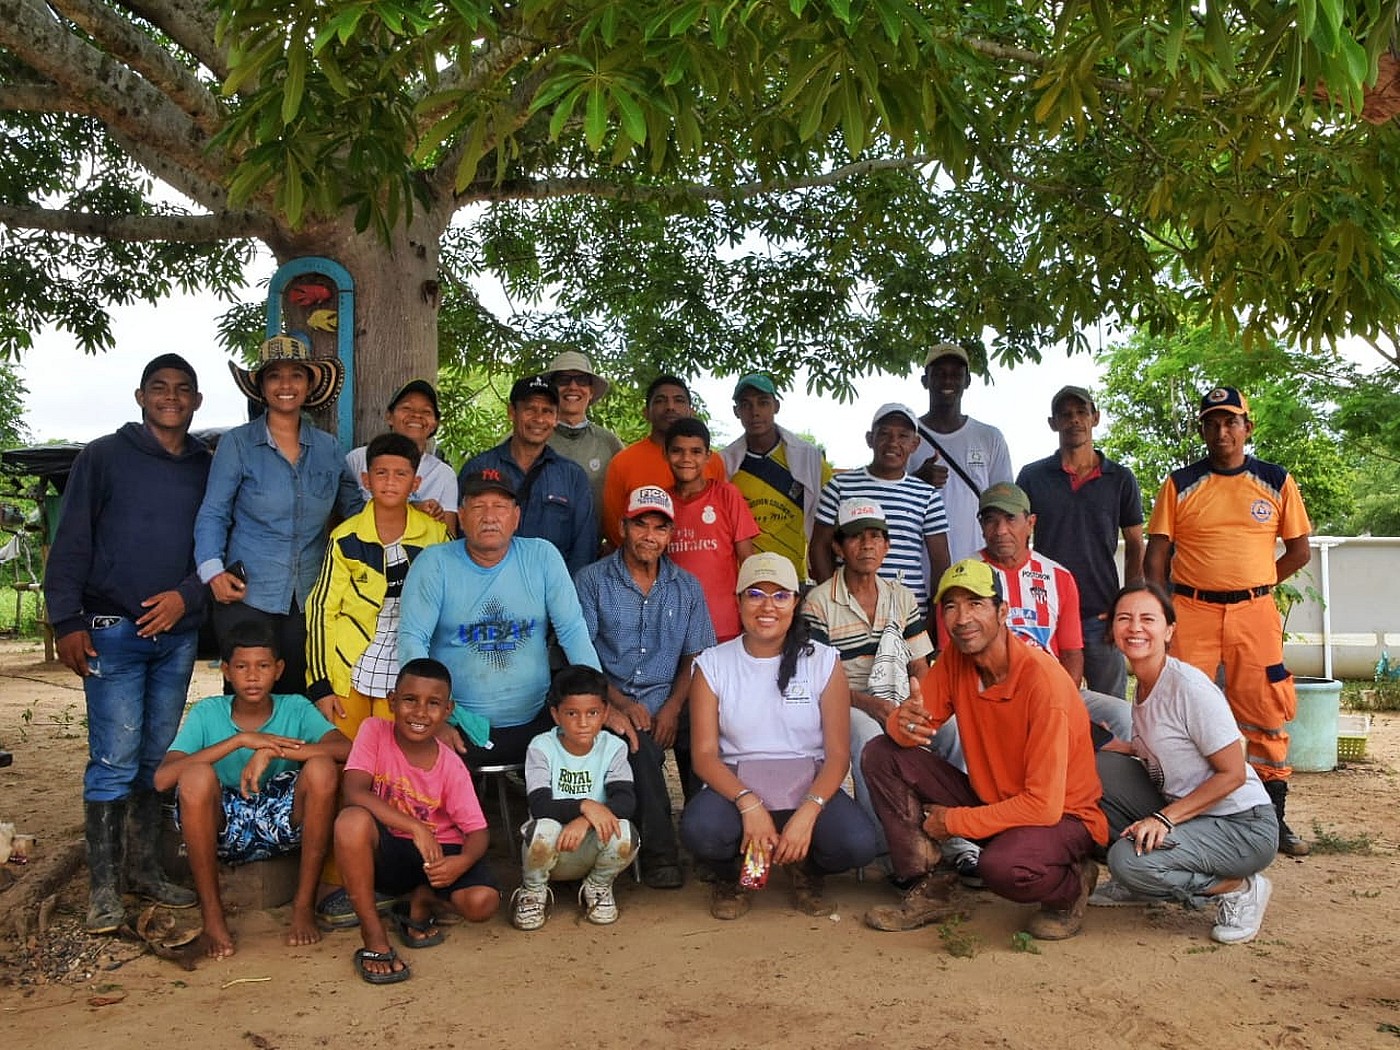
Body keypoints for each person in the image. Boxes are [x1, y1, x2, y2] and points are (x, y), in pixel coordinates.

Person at [45, 353, 210, 932]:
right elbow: (71, 540)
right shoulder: (104, 457)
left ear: (196, 401)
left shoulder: (204, 466)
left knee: (155, 759)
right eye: (160, 388)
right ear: (141, 397)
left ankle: (145, 869)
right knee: (112, 760)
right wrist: (66, 620)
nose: (171, 397)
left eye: (183, 390)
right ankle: (104, 890)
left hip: (176, 636)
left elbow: (214, 546)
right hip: (112, 632)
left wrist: (185, 598)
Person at [862, 559, 1108, 941]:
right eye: (951, 606)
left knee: (1002, 868)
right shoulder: (957, 661)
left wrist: (954, 823)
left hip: (1063, 817)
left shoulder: (1043, 683)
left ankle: (1071, 886)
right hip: (994, 800)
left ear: (1003, 611)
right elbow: (911, 729)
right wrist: (901, 721)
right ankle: (931, 884)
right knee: (881, 753)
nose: (962, 618)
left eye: (976, 603)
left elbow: (1042, 805)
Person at [1144, 386, 1313, 857]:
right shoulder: (1180, 484)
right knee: (1179, 708)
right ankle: (1188, 812)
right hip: (1191, 611)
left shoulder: (1276, 481)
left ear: (1247, 427)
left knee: (1265, 711)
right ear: (1202, 429)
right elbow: (1156, 554)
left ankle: (1271, 819)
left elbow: (1298, 551)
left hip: (1254, 614)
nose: (1222, 431)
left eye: (1231, 421)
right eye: (1212, 423)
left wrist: (1258, 585)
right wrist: (1164, 609)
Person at [680, 553, 881, 920]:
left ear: (796, 602)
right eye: (755, 594)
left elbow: (837, 755)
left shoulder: (823, 661)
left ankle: (805, 868)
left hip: (807, 781)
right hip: (737, 783)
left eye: (780, 595)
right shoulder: (712, 664)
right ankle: (737, 874)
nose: (767, 606)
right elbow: (705, 756)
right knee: (700, 830)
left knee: (857, 844)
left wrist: (808, 811)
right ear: (737, 600)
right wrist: (749, 804)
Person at [1093, 583, 1278, 944]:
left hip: (1242, 826)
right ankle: (1143, 881)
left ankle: (1236, 887)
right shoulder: (1145, 684)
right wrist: (1121, 746)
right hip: (1191, 812)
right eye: (1124, 618)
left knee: (1126, 860)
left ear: (1169, 630)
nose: (1135, 628)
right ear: (1112, 628)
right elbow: (1171, 748)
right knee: (1098, 767)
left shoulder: (1188, 687)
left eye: (1148, 619)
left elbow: (1234, 773)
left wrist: (1163, 819)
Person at [153, 624, 350, 959]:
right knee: (196, 776)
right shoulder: (208, 712)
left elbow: (346, 749)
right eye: (242, 667)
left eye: (263, 666)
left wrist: (273, 750)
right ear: (227, 672)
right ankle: (213, 918)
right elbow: (163, 779)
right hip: (224, 826)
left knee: (321, 769)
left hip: (283, 821)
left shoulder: (296, 707)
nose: (253, 676)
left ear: (279, 670)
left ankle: (303, 906)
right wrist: (240, 741)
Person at [398, 468, 602, 770]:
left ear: (516, 517)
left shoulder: (542, 556)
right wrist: (432, 719)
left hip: (539, 720)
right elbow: (413, 639)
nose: (489, 516)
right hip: (456, 725)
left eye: (500, 507)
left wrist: (596, 699)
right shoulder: (434, 563)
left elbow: (572, 630)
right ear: (462, 516)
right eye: (478, 507)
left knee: (615, 744)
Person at [194, 335, 363, 696]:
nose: (286, 385)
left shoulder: (329, 449)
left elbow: (356, 512)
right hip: (246, 596)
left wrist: (410, 512)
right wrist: (213, 572)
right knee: (249, 697)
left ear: (309, 384)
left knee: (304, 695)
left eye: (296, 376)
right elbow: (213, 513)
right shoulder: (237, 444)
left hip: (311, 598)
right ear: (261, 386)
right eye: (274, 376)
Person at [574, 486, 716, 888]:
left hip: (671, 695)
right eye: (641, 525)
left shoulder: (686, 586)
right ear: (623, 527)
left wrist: (672, 707)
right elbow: (583, 653)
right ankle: (660, 855)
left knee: (709, 734)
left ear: (670, 535)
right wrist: (617, 703)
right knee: (639, 745)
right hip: (611, 697)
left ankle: (709, 845)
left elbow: (695, 656)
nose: (649, 536)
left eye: (660, 528)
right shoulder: (592, 581)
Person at [333, 658, 499, 984]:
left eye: (433, 704)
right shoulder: (374, 731)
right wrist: (415, 827)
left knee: (483, 903)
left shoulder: (451, 765)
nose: (421, 712)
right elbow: (353, 790)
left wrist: (462, 861)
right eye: (410, 700)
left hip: (438, 854)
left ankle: (422, 898)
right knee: (350, 821)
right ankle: (374, 937)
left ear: (448, 710)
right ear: (392, 701)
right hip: (390, 849)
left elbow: (478, 831)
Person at [800, 498, 936, 843]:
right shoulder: (819, 601)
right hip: (842, 701)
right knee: (868, 738)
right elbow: (817, 682)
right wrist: (872, 705)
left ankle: (960, 840)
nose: (868, 545)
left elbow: (919, 664)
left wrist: (922, 704)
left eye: (876, 536)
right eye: (857, 537)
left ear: (887, 546)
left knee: (952, 732)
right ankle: (887, 843)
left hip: (900, 697)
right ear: (838, 546)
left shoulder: (902, 597)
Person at [306, 432, 449, 738]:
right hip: (349, 663)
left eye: (401, 474)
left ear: (416, 483)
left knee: (396, 755)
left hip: (409, 659)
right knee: (346, 754)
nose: (390, 482)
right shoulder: (345, 537)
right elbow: (321, 608)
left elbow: (455, 603)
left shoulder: (435, 536)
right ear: (366, 480)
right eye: (381, 473)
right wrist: (320, 683)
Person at [1017, 385, 1145, 698]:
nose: (1074, 420)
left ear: (1095, 417)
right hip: (1048, 614)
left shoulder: (1120, 478)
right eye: (1065, 414)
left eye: (1081, 412)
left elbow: (1136, 544)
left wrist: (1126, 605)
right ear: (1053, 423)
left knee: (1111, 708)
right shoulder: (1032, 477)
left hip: (1100, 613)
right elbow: (1018, 541)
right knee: (1051, 701)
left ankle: (1114, 752)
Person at [511, 665, 639, 931]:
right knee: (543, 828)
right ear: (556, 715)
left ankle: (598, 885)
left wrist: (585, 820)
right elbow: (540, 804)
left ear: (605, 713)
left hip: (591, 846)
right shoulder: (541, 747)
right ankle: (533, 890)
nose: (583, 723)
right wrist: (586, 805)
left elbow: (626, 801)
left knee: (626, 833)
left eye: (592, 713)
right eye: (572, 713)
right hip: (550, 849)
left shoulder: (613, 747)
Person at [811, 403, 950, 615]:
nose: (893, 442)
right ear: (870, 438)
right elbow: (819, 547)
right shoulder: (839, 486)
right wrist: (834, 602)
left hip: (908, 615)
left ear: (915, 444)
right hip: (848, 614)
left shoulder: (928, 495)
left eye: (903, 436)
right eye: (884, 434)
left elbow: (940, 561)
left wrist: (933, 614)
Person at [460, 374, 595, 575]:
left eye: (547, 411)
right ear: (512, 412)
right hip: (488, 592)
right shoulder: (478, 468)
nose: (539, 419)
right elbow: (460, 534)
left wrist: (563, 597)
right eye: (530, 409)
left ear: (556, 418)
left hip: (550, 594)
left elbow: (584, 548)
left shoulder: (572, 476)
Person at [720, 373, 833, 580]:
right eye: (746, 405)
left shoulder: (810, 460)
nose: (755, 412)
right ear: (736, 411)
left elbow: (830, 517)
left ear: (776, 406)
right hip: (744, 578)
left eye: (763, 403)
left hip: (793, 578)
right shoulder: (724, 464)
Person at [908, 343, 1014, 563]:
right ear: (925, 381)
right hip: (917, 572)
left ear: (967, 381)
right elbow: (888, 499)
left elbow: (1005, 505)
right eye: (939, 374)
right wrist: (916, 482)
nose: (948, 381)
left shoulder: (990, 437)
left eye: (956, 374)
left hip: (977, 570)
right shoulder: (905, 436)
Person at [600, 375, 726, 550]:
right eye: (660, 401)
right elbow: (614, 527)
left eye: (679, 400)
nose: (670, 407)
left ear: (691, 411)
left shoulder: (712, 461)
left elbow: (723, 521)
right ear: (646, 412)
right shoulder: (623, 462)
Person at [665, 418, 760, 642]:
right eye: (677, 451)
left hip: (723, 621)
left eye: (696, 451)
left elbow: (747, 559)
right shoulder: (662, 501)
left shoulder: (727, 495)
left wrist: (752, 613)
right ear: (665, 454)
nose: (686, 459)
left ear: (708, 456)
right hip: (673, 623)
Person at [346, 379, 459, 536]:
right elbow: (341, 517)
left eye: (426, 412)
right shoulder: (358, 459)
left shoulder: (444, 475)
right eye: (407, 408)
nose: (416, 415)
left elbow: (448, 536)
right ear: (389, 416)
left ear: (434, 424)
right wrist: (413, 508)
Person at [544, 350, 623, 538]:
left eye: (581, 380)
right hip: (534, 552)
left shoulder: (609, 443)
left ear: (591, 391)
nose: (573, 387)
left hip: (594, 553)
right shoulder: (528, 437)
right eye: (563, 380)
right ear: (551, 389)